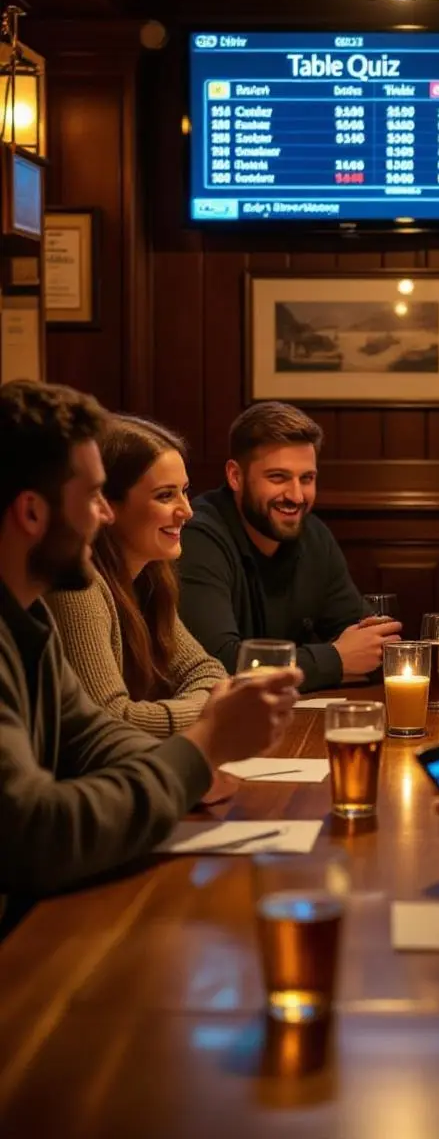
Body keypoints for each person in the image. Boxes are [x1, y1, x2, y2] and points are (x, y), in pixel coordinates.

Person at [0, 380, 300, 927]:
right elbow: (37, 833)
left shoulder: (27, 617)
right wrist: (202, 746)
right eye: (94, 496)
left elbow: (94, 736)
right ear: (32, 513)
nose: (104, 516)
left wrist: (190, 766)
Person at [178, 401, 401, 688]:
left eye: (306, 478)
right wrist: (336, 660)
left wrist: (357, 654)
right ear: (235, 476)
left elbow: (374, 648)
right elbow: (218, 665)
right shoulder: (198, 537)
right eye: (278, 477)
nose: (296, 496)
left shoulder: (314, 535)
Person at [49, 416, 226, 737]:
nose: (187, 511)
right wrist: (211, 711)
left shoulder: (150, 574)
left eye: (185, 491)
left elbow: (207, 671)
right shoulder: (77, 586)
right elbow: (110, 721)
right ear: (106, 506)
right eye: (165, 496)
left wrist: (208, 704)